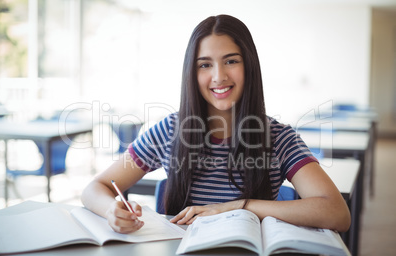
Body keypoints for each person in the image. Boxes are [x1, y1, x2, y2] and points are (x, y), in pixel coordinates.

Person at [81, 14, 351, 234]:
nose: (219, 76)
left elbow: (337, 213)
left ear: (249, 67)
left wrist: (241, 206)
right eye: (204, 65)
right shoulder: (170, 131)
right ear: (191, 72)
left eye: (231, 61)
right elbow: (96, 187)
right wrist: (110, 211)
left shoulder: (278, 137)